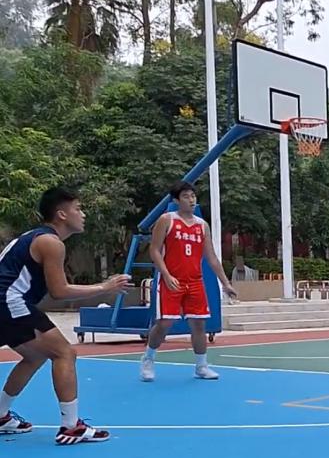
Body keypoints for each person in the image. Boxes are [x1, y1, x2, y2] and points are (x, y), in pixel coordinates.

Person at [0, 187, 131, 444]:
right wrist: (104, 287)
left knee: (35, 356)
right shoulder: (50, 243)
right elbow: (59, 291)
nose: (83, 214)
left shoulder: (35, 237)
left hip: (7, 303)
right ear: (61, 214)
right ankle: (71, 427)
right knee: (65, 353)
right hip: (9, 303)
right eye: (78, 209)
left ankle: (1, 415)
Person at [139, 181, 237, 382]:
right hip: (172, 280)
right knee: (165, 323)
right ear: (176, 200)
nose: (191, 200)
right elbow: (154, 250)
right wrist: (166, 274)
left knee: (199, 324)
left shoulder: (202, 225)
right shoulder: (167, 220)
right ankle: (148, 358)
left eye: (193, 196)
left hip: (195, 281)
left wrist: (225, 283)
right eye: (186, 196)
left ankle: (201, 366)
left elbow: (211, 257)